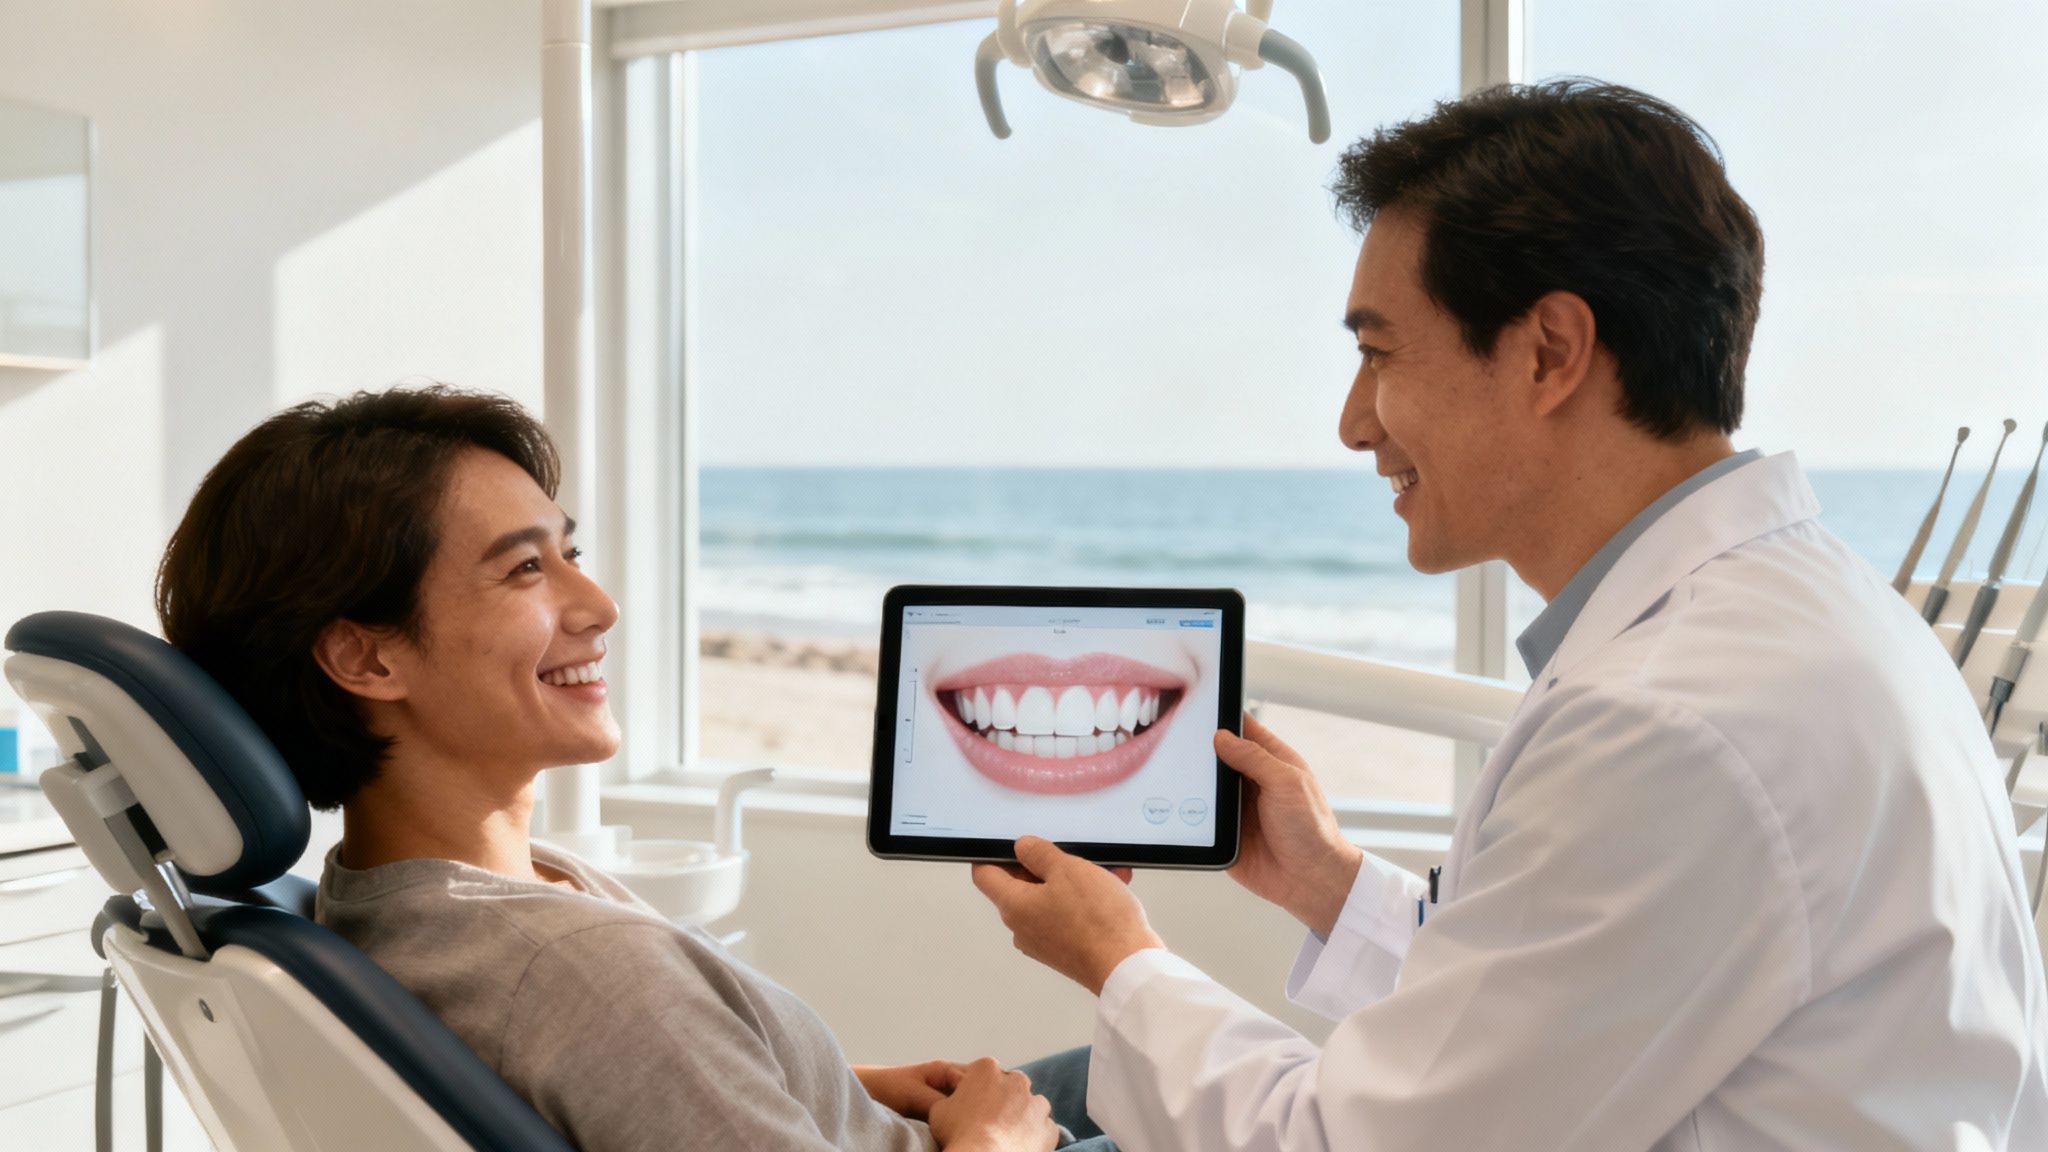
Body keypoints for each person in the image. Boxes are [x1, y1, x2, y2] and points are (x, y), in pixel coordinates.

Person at [971, 80, 2048, 1150]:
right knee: (1053, 1091)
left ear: (1548, 352)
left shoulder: (1669, 723)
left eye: (1378, 351)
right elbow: (1568, 1015)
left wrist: (1115, 957)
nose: (1352, 423)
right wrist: (1331, 888)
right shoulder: (1808, 618)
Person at [156, 385, 1116, 1152]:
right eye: (524, 569)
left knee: (1192, 1071)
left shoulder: (398, 899)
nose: (600, 603)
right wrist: (997, 1144)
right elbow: (605, 1020)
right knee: (1246, 1095)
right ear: (368, 658)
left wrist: (835, 1083)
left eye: (568, 552)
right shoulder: (577, 971)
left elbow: (603, 1076)